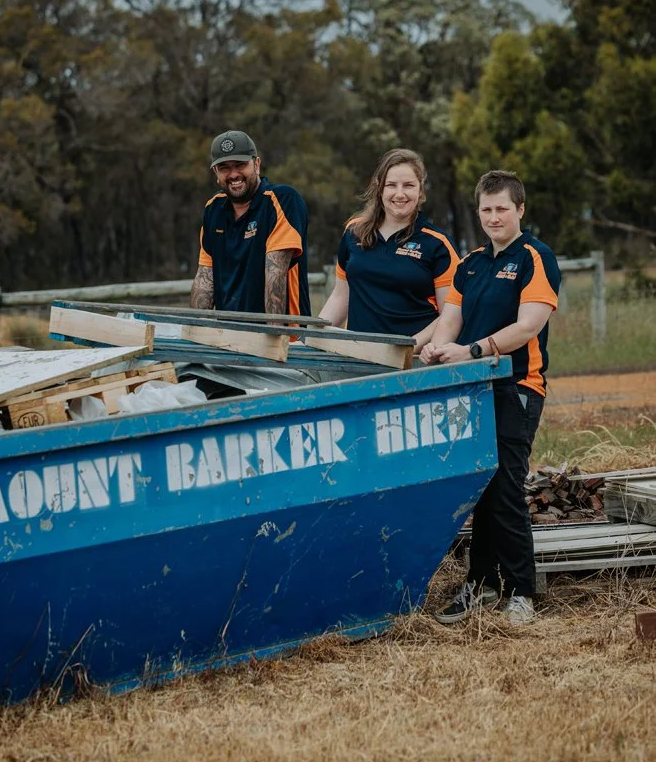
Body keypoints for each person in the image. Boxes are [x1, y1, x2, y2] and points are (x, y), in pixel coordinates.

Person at [420, 169, 560, 625]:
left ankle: (522, 591)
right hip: (470, 389)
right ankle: (480, 586)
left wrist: (474, 351)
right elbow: (451, 319)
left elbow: (527, 326)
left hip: (516, 386)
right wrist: (438, 349)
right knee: (477, 486)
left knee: (505, 489)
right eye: (487, 209)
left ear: (520, 209)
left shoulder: (535, 258)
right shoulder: (472, 263)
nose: (495, 217)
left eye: (503, 208)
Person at [319, 149, 460, 351]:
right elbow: (341, 297)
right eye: (391, 185)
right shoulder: (354, 232)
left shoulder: (437, 243)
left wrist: (409, 346)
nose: (400, 194)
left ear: (421, 190)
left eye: (409, 185)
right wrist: (313, 336)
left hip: (412, 363)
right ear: (380, 188)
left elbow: (450, 315)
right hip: (358, 358)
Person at [191, 130, 310, 316]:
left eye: (240, 165)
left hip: (283, 338)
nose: (233, 174)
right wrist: (196, 332)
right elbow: (205, 278)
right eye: (224, 168)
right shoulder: (213, 208)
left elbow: (275, 276)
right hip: (228, 338)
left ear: (257, 164)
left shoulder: (282, 200)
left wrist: (274, 338)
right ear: (215, 172)